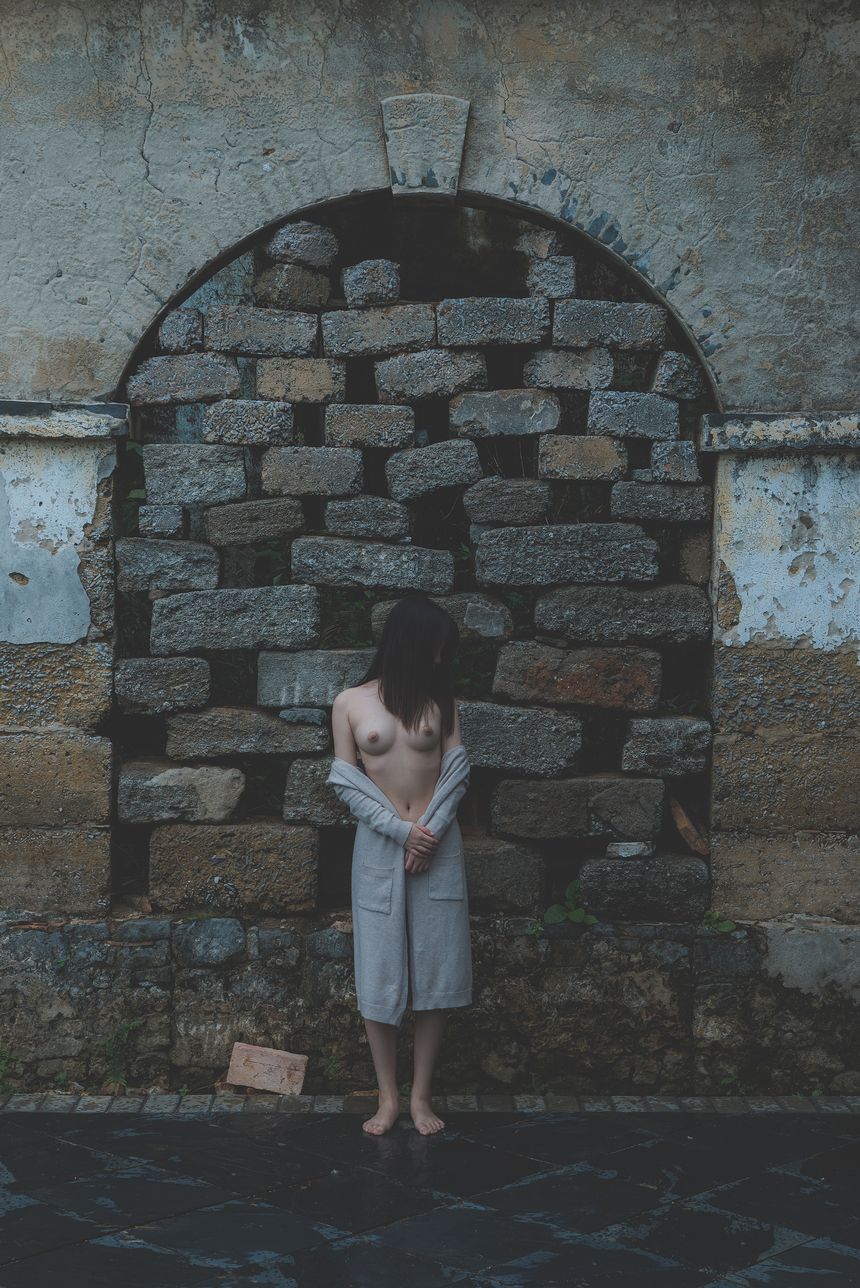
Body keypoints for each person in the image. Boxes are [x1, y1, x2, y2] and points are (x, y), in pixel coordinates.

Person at [327, 595, 473, 1136]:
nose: (439, 659)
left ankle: (420, 1096)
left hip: (437, 846)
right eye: (434, 648)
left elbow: (456, 772)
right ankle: (387, 1097)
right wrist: (401, 831)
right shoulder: (350, 702)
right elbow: (346, 781)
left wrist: (426, 833)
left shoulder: (441, 703)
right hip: (380, 849)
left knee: (438, 966)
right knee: (379, 967)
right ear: (410, 642)